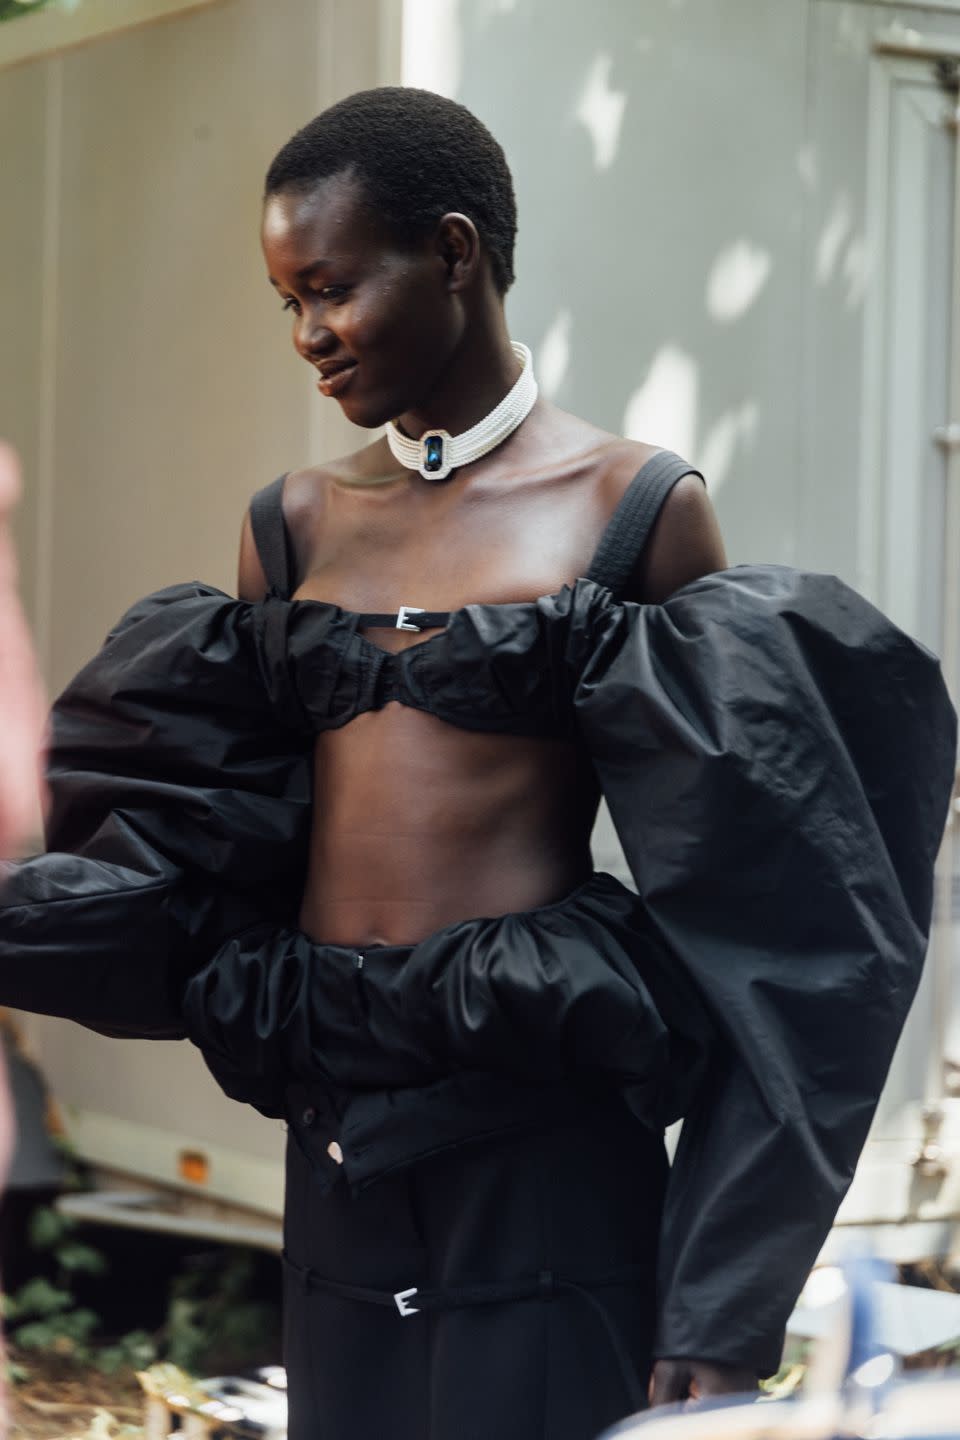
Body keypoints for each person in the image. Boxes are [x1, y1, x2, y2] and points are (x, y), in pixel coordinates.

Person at [0, 89, 955, 1440]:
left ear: (452, 254)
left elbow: (775, 910)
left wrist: (714, 1306)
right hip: (339, 1124)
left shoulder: (638, 510)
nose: (308, 336)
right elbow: (207, 852)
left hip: (547, 1130)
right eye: (288, 300)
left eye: (331, 288)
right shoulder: (290, 528)